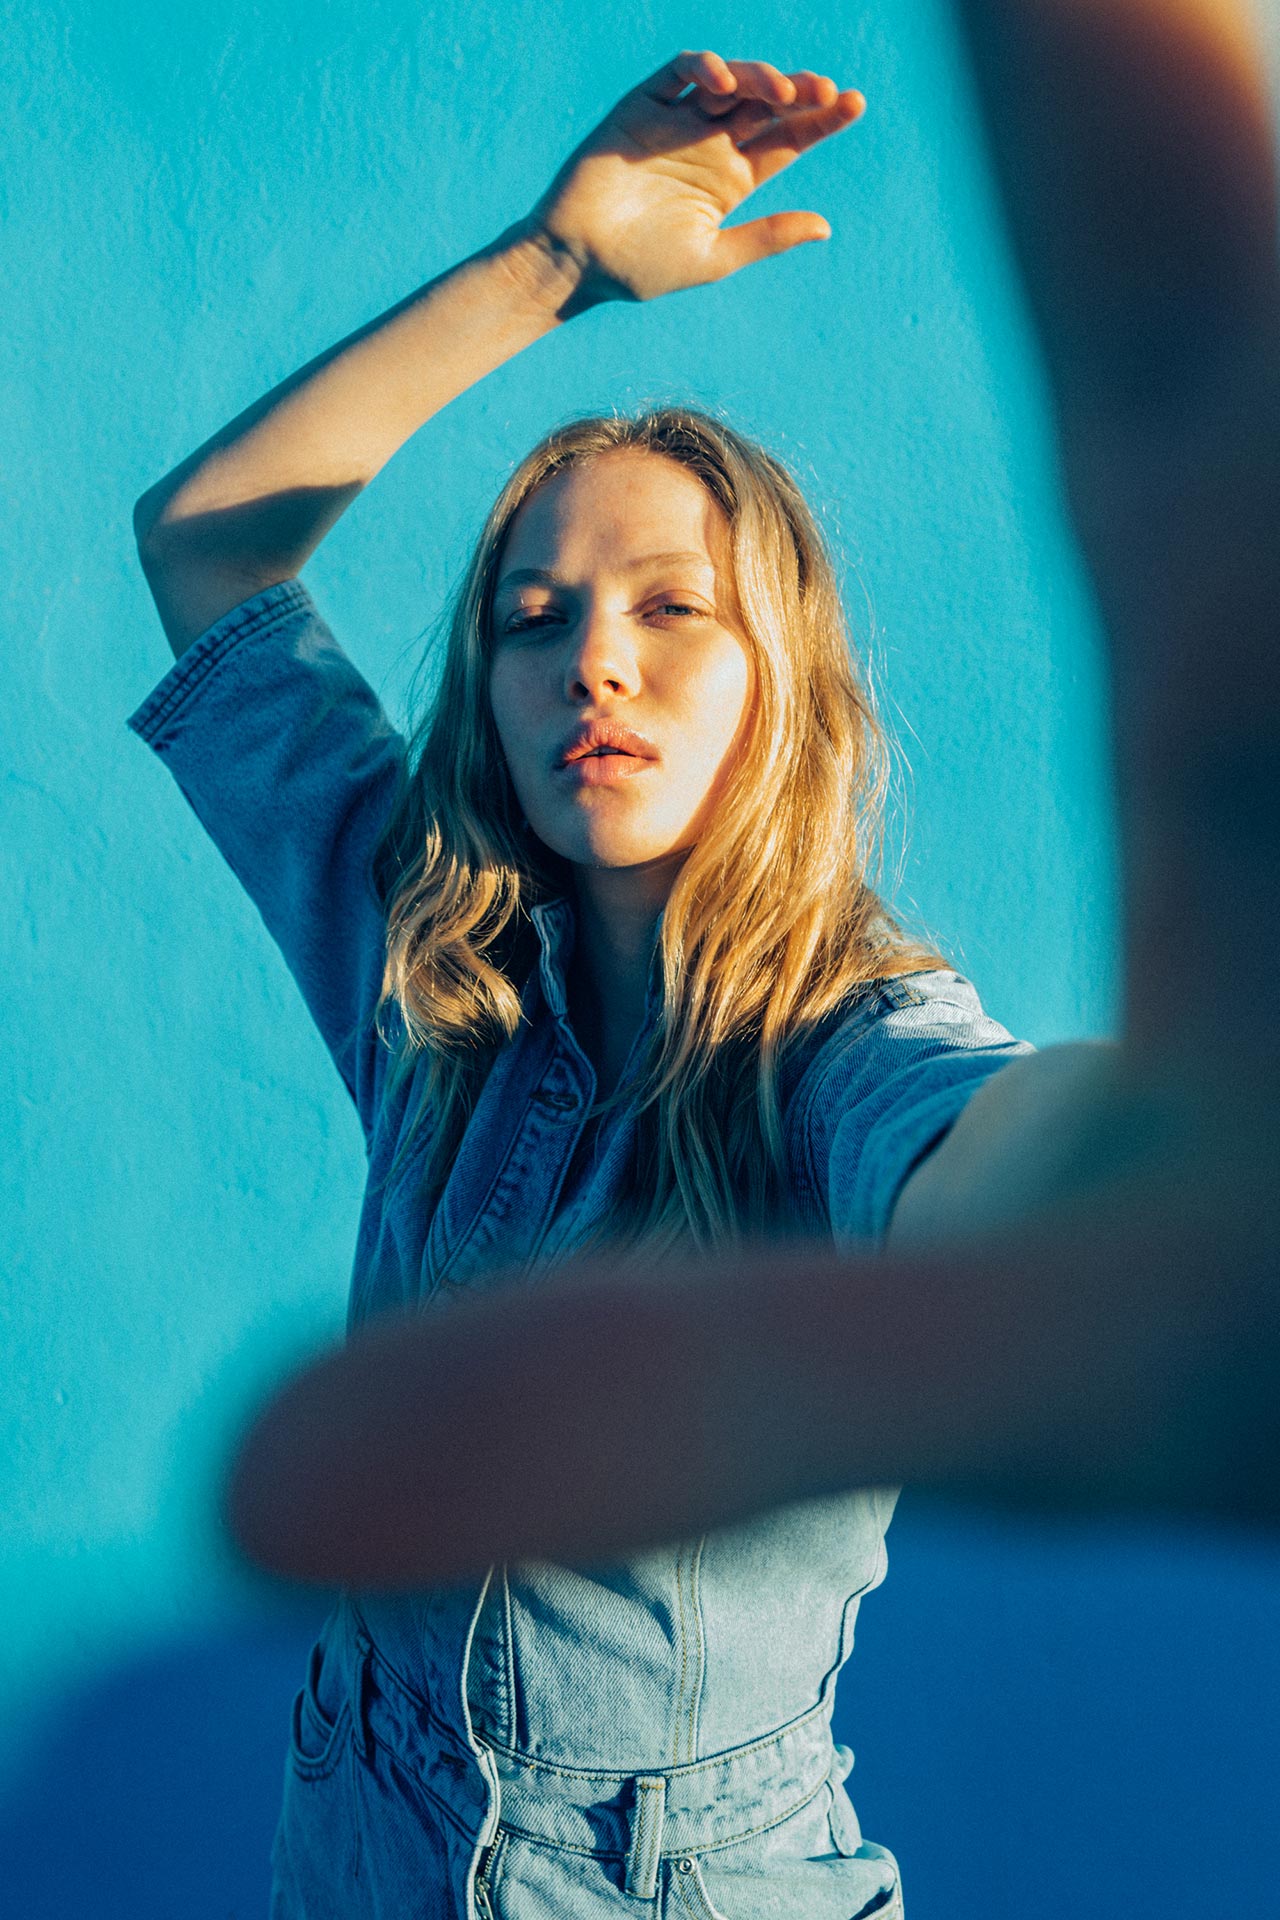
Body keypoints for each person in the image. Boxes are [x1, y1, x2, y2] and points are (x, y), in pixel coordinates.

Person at [128, 13, 1280, 1919]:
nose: (595, 658)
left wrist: (1124, 1184)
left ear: (779, 684)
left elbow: (974, 1132)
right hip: (351, 1847)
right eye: (535, 618)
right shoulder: (428, 977)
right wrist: (553, 265)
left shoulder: (843, 1049)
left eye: (673, 609)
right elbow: (207, 550)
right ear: (490, 699)